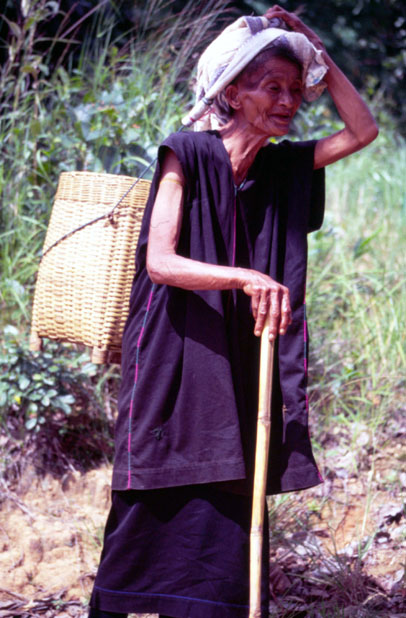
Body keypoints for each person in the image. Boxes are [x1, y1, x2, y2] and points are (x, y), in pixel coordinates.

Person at [88, 5, 378, 618]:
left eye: (295, 90)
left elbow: (362, 131)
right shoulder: (186, 154)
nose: (288, 101)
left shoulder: (282, 167)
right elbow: (161, 262)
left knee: (233, 482)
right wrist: (245, 277)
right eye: (272, 87)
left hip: (242, 356)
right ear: (232, 93)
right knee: (160, 477)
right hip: (173, 350)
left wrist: (316, 52)